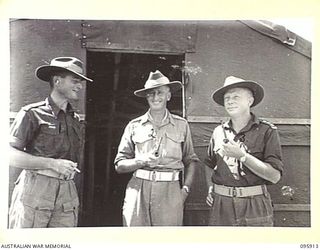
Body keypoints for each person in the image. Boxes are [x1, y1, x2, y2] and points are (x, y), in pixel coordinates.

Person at [9, 57, 92, 228]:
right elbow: (9, 155)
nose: (80, 86)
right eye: (75, 81)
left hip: (66, 193)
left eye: (81, 82)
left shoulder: (75, 119)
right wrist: (52, 164)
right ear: (57, 81)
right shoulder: (32, 113)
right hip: (37, 190)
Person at [114, 70, 199, 226]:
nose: (155, 97)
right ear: (146, 97)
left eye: (160, 93)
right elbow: (120, 164)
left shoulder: (181, 125)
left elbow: (191, 160)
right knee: (135, 239)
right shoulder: (134, 126)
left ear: (168, 96)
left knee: (166, 242)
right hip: (138, 190)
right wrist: (141, 161)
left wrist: (185, 190)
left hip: (170, 191)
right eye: (150, 94)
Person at [204, 76, 284, 226]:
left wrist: (243, 157)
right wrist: (210, 187)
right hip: (221, 206)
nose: (230, 101)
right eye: (227, 98)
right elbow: (208, 164)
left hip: (254, 206)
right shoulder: (218, 132)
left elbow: (274, 176)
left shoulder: (267, 131)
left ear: (250, 101)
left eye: (236, 96)